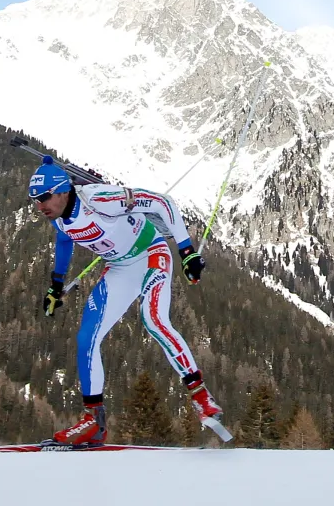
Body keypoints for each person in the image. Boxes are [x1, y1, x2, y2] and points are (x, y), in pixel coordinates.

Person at [29, 155, 222, 445]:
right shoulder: (58, 218)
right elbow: (65, 241)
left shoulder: (99, 199)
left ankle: (201, 397)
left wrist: (187, 251)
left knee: (154, 320)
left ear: (63, 191)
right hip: (119, 267)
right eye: (34, 199)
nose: (39, 205)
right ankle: (93, 421)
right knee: (86, 338)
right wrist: (55, 286)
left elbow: (162, 202)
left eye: (44, 197)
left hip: (152, 254)